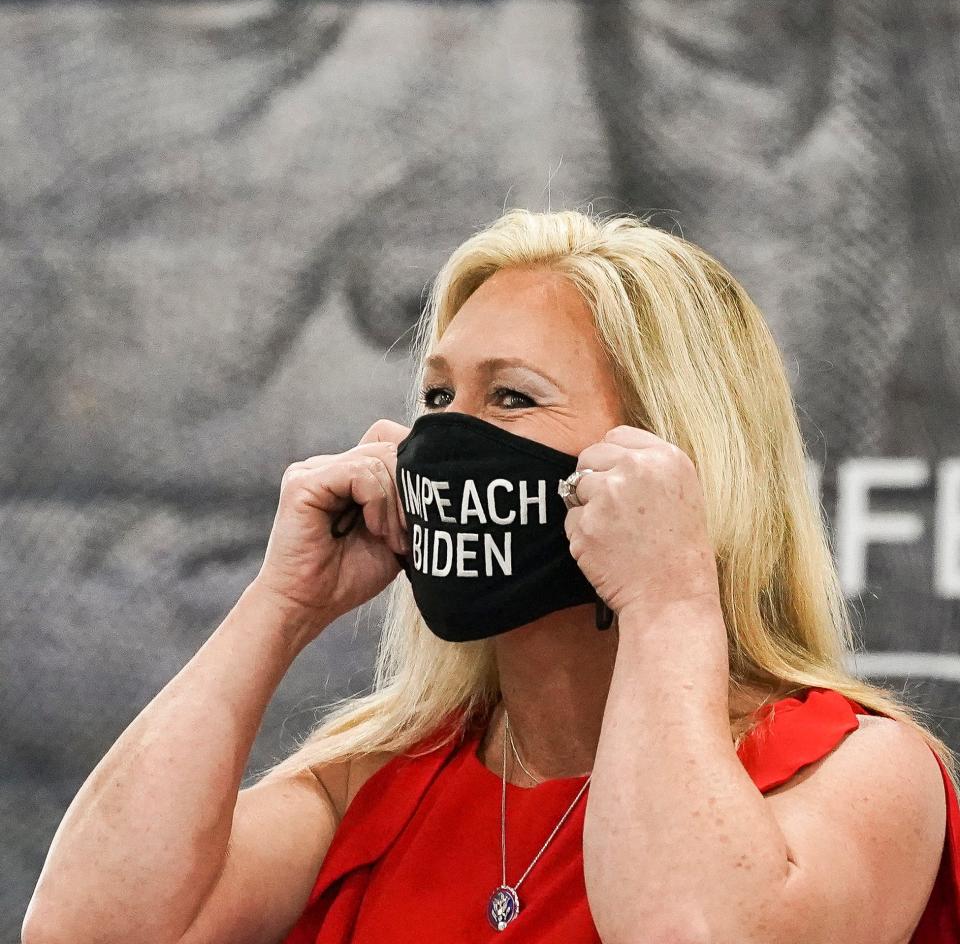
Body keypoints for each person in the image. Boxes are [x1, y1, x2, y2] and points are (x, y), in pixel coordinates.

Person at [23, 208, 960, 944]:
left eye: (511, 397)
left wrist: (672, 600)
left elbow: (693, 930)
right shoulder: (382, 779)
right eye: (437, 397)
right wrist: (280, 606)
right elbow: (92, 928)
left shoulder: (856, 772)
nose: (443, 441)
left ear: (673, 452)